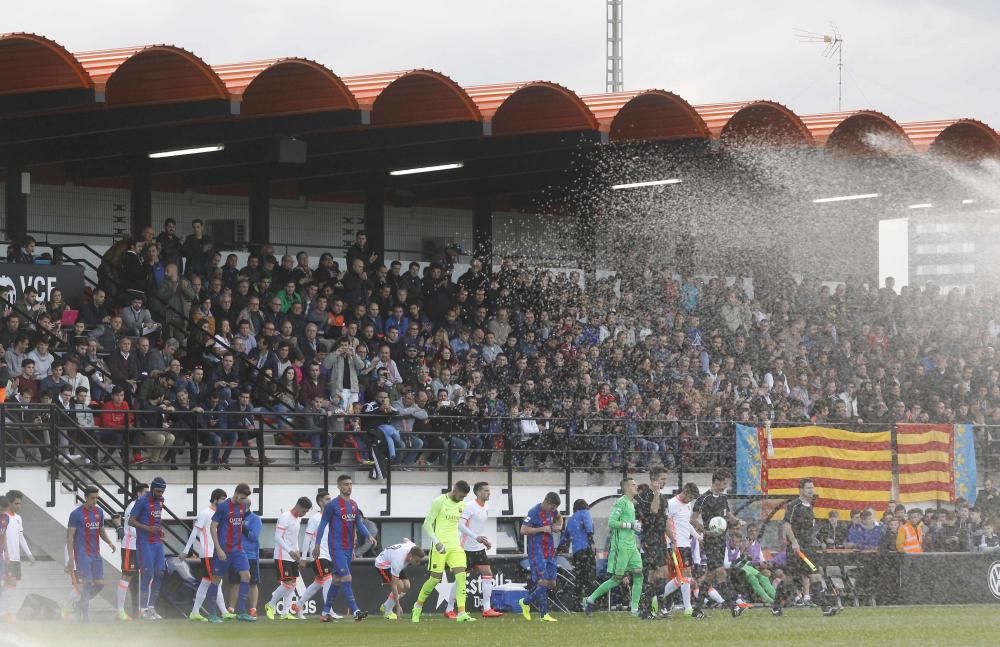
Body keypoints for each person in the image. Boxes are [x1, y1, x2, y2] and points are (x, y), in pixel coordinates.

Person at [411, 480, 476, 623]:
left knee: (461, 577)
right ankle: (417, 606)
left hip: (455, 547)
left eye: (464, 497)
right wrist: (437, 542)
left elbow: (460, 525)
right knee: (434, 579)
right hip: (440, 547)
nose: (462, 499)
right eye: (461, 496)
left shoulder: (462, 505)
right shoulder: (439, 501)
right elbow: (427, 524)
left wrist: (476, 537)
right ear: (455, 489)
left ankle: (462, 613)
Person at [313, 475, 370, 622]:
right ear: (339, 486)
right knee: (346, 577)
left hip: (348, 548)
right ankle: (356, 611)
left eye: (351, 484)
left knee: (337, 580)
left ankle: (325, 613)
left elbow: (359, 523)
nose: (349, 487)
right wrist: (317, 544)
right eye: (345, 484)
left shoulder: (353, 504)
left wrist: (369, 536)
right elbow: (322, 524)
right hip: (336, 547)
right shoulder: (332, 505)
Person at [443, 481, 504, 618]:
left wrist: (485, 541)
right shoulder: (470, 506)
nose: (489, 493)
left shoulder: (486, 506)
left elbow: (478, 527)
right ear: (478, 492)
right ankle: (449, 609)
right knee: (460, 579)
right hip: (465, 549)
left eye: (489, 490)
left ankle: (487, 609)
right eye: (486, 491)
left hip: (478, 548)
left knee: (488, 574)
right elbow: (460, 525)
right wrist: (476, 537)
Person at [583, 480, 642, 617]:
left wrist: (635, 527)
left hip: (631, 545)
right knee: (617, 579)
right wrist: (630, 525)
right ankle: (590, 599)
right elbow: (611, 522)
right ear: (627, 488)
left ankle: (634, 610)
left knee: (639, 574)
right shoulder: (621, 502)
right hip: (621, 546)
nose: (636, 486)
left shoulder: (631, 503)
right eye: (633, 485)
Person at [691, 467, 744, 618]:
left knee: (709, 576)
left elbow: (728, 516)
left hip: (721, 540)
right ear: (717, 481)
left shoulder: (723, 498)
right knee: (720, 572)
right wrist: (704, 531)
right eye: (725, 483)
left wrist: (737, 522)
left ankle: (697, 610)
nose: (726, 486)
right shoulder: (704, 499)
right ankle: (734, 604)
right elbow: (692, 519)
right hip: (711, 541)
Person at [783, 478, 839, 616]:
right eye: (808, 488)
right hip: (796, 549)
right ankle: (777, 605)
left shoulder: (810, 506)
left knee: (815, 575)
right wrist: (794, 542)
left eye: (812, 488)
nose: (811, 490)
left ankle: (825, 608)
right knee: (788, 579)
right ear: (801, 490)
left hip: (808, 548)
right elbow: (786, 524)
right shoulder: (794, 505)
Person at [66, 485, 117, 621]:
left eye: (97, 498)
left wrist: (109, 542)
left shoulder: (99, 512)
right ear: (86, 498)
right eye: (92, 498)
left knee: (99, 584)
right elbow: (70, 537)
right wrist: (71, 559)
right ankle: (85, 616)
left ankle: (79, 605)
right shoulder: (76, 514)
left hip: (96, 554)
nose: (95, 501)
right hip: (82, 554)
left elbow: (100, 529)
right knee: (87, 583)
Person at [206, 483, 255, 623]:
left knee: (246, 576)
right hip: (223, 550)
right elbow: (213, 527)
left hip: (238, 549)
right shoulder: (223, 507)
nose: (243, 500)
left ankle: (241, 611)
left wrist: (239, 542)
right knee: (216, 579)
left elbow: (238, 524)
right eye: (241, 497)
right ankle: (212, 614)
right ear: (236, 493)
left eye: (245, 498)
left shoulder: (243, 506)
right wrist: (218, 548)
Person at [181, 488, 230, 622]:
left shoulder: (220, 514)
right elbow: (194, 533)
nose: (224, 502)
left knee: (206, 582)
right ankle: (223, 612)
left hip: (216, 553)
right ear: (215, 499)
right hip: (207, 553)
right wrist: (186, 550)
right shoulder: (205, 513)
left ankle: (195, 612)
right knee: (215, 581)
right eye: (222, 499)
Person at [264, 497, 313, 620]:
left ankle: (285, 612)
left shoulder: (298, 519)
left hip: (292, 556)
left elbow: (294, 537)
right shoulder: (285, 517)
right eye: (304, 511)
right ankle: (270, 604)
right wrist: (289, 551)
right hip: (282, 555)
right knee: (287, 584)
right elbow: (277, 537)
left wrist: (296, 549)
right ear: (299, 507)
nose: (304, 514)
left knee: (292, 584)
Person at [634, 465, 672, 619]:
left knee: (653, 575)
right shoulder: (644, 496)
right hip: (650, 539)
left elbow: (665, 519)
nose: (664, 482)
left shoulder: (663, 499)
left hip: (660, 539)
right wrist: (656, 492)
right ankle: (655, 607)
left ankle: (648, 609)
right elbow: (654, 511)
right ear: (654, 479)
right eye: (662, 479)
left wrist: (672, 539)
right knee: (661, 573)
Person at [520, 491, 564, 622]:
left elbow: (559, 517)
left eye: (555, 508)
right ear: (546, 502)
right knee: (542, 581)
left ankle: (525, 601)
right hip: (536, 551)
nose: (554, 510)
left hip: (549, 550)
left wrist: (559, 526)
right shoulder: (533, 512)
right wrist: (541, 529)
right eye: (552, 507)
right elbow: (523, 530)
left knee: (552, 582)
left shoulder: (553, 511)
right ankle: (544, 614)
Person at [127, 478, 167, 620]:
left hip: (157, 542)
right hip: (145, 543)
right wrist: (147, 528)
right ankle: (142, 608)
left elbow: (157, 518)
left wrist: (160, 529)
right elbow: (130, 521)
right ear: (152, 488)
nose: (160, 493)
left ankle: (151, 607)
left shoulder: (161, 500)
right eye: (157, 490)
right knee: (147, 574)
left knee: (160, 573)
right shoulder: (142, 501)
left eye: (162, 491)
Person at [663, 482, 702, 616]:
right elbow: (665, 524)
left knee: (681, 578)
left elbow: (686, 524)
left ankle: (655, 597)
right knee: (686, 575)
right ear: (685, 491)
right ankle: (688, 608)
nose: (690, 501)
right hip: (677, 544)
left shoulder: (688, 504)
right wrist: (671, 542)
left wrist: (697, 537)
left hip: (686, 544)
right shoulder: (672, 504)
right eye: (690, 497)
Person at [117, 482, 148, 621]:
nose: (148, 495)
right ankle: (120, 611)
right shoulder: (132, 507)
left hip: (140, 547)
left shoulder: (144, 507)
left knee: (142, 578)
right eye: (146, 493)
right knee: (126, 577)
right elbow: (131, 528)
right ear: (139, 494)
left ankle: (141, 610)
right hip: (130, 546)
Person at [374, 539, 426, 620]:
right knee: (400, 586)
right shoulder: (398, 561)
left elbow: (406, 539)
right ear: (411, 556)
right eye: (417, 561)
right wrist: (398, 606)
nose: (418, 563)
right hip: (383, 564)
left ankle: (386, 606)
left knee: (407, 586)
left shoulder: (412, 546)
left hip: (392, 561)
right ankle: (387, 611)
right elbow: (394, 586)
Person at [560, 499, 596, 610]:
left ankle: (577, 604)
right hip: (586, 550)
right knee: (590, 578)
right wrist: (591, 542)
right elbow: (589, 526)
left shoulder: (571, 519)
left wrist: (560, 548)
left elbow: (565, 536)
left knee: (579, 579)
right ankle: (590, 603)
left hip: (577, 552)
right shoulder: (584, 513)